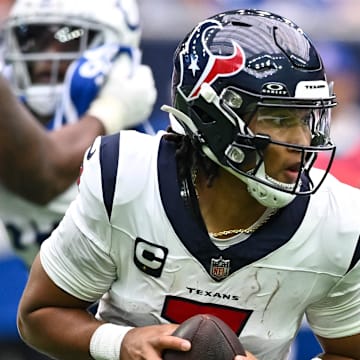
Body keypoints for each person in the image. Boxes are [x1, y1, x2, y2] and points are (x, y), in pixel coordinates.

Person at [17, 9, 360, 360]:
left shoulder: (336, 220)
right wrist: (121, 344)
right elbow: (39, 314)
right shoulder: (128, 178)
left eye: (307, 118)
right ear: (213, 117)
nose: (302, 141)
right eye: (279, 118)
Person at [0, 0, 157, 265]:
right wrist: (110, 111)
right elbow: (44, 174)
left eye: (70, 39)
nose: (47, 56)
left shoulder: (142, 152)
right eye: (34, 39)